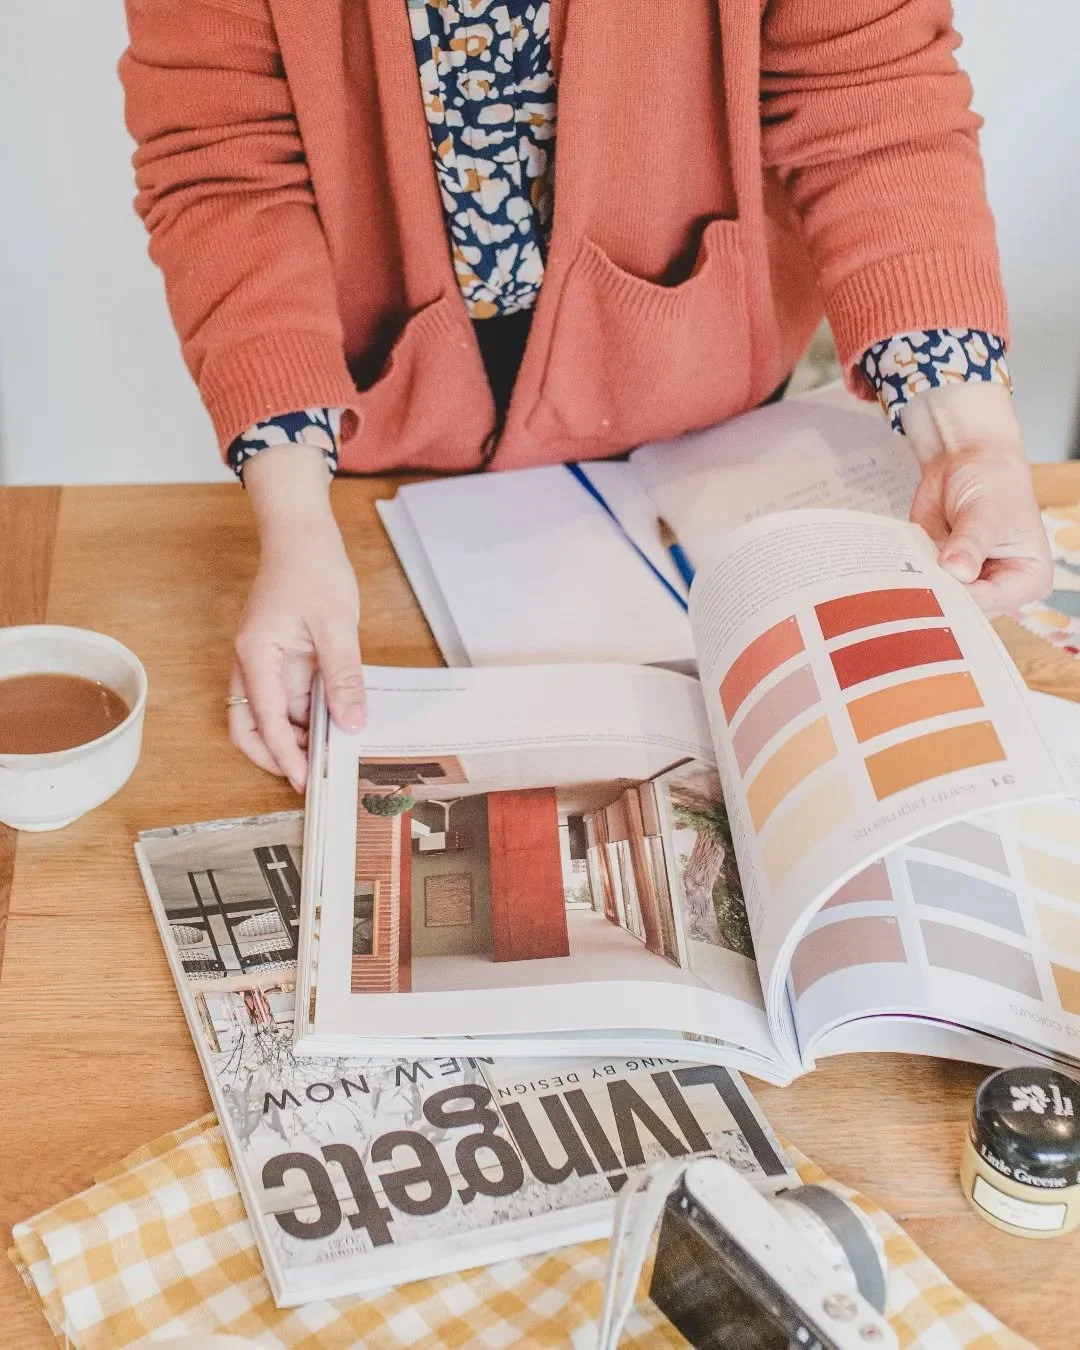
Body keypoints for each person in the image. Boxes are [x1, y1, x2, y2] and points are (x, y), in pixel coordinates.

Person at [119, 1, 1052, 792]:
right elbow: (224, 157)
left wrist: (967, 435)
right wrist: (292, 520)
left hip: (713, 407)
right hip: (365, 442)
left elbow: (867, 89)